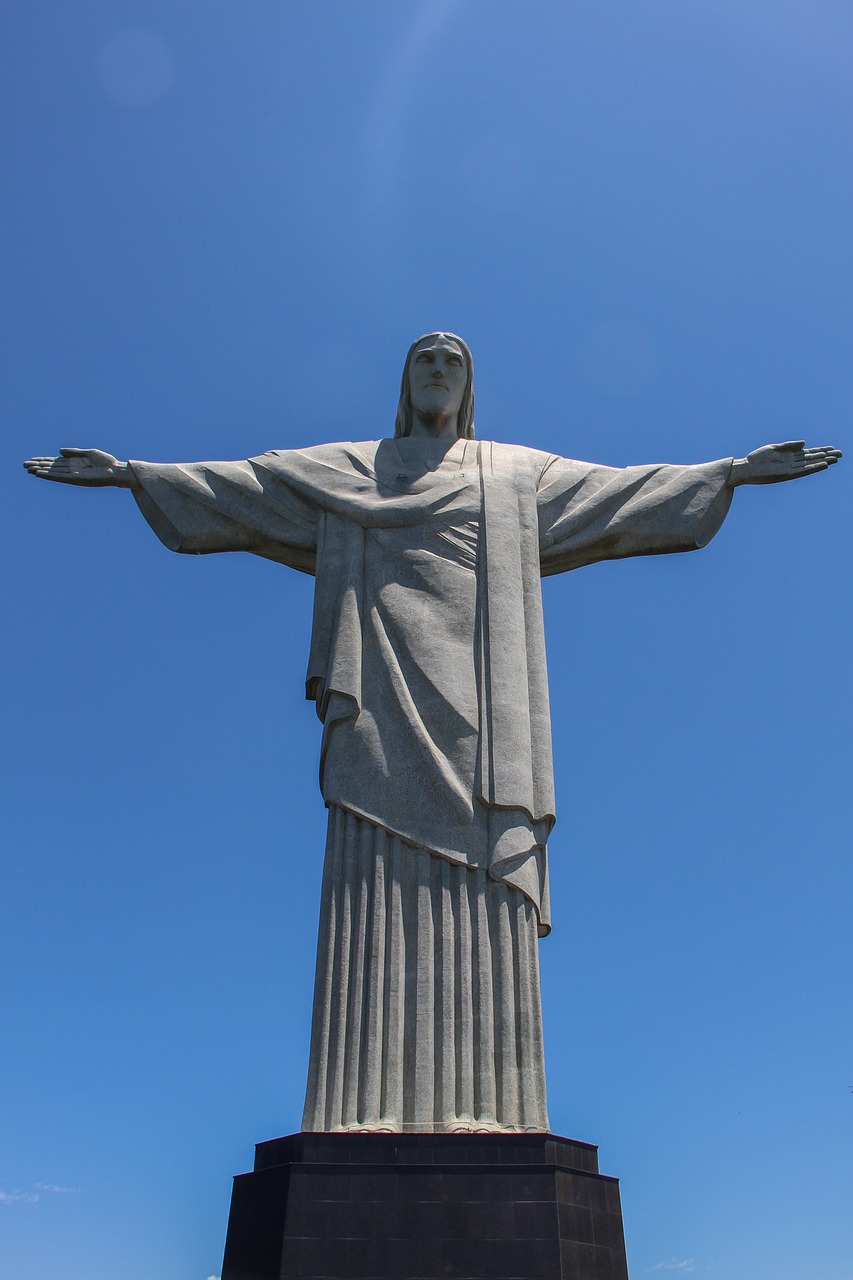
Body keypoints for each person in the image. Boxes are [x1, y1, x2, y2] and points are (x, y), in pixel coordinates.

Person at [24, 332, 841, 1134]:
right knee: (373, 879)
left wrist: (727, 472)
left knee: (483, 883)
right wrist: (135, 474)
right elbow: (246, 487)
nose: (438, 370)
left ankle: (492, 1111)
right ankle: (357, 1110)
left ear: (469, 387)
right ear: (405, 381)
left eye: (453, 361)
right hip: (379, 693)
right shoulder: (348, 470)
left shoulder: (513, 474)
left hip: (486, 708)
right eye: (424, 359)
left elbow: (619, 494)